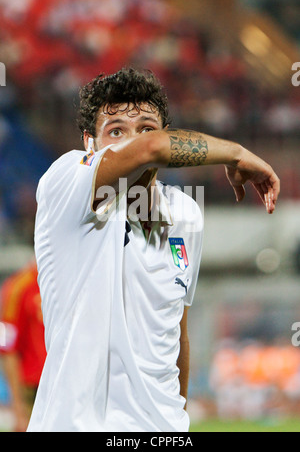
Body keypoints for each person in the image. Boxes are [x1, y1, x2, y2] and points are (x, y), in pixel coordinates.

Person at [27, 68, 280, 432]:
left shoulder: (185, 213)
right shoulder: (69, 182)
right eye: (116, 130)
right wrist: (236, 154)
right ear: (90, 144)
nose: (133, 141)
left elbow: (177, 332)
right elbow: (151, 150)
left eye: (146, 127)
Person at [0, 262, 47, 431]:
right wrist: (19, 410)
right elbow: (7, 348)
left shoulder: (68, 281)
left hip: (69, 384)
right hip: (33, 391)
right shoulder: (18, 287)